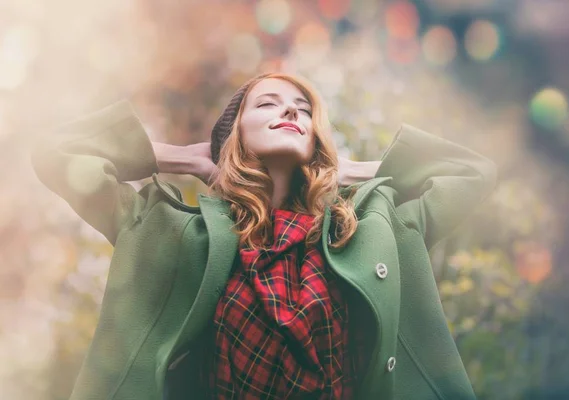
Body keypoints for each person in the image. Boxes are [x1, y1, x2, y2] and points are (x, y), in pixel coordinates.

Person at [31, 72, 497, 399]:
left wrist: (351, 169)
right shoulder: (172, 234)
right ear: (234, 132)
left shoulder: (372, 228)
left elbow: (472, 173)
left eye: (303, 109)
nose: (290, 111)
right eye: (268, 103)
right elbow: (55, 153)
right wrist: (184, 157)